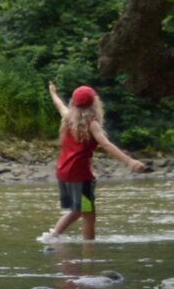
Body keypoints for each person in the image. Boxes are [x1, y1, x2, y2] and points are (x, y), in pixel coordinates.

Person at [44, 82, 149, 239]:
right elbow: (106, 144)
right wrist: (130, 161)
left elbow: (59, 104)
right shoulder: (92, 124)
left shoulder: (67, 118)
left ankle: (55, 236)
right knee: (87, 213)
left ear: (73, 103)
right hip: (80, 176)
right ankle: (84, 247)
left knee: (80, 210)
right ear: (95, 103)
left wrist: (53, 92)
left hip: (63, 172)